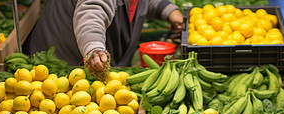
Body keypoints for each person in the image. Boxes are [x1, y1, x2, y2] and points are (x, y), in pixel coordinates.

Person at [24, 0, 183, 76]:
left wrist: (169, 11)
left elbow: (142, 3)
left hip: (85, 69)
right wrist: (94, 48)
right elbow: (92, 14)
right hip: (57, 65)